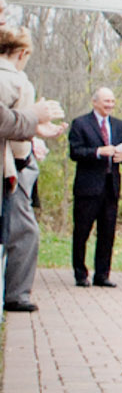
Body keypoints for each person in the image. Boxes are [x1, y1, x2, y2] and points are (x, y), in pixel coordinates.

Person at [0, 25, 61, 314]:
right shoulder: (16, 80)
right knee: (25, 232)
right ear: (22, 53)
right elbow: (14, 129)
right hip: (14, 167)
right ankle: (16, 294)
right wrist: (35, 123)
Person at [69, 87, 122, 288]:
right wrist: (98, 151)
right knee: (82, 232)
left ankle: (102, 275)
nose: (110, 105)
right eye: (106, 101)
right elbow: (75, 152)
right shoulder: (81, 124)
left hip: (110, 187)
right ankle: (80, 273)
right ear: (95, 102)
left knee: (107, 233)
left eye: (112, 101)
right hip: (88, 187)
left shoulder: (119, 125)